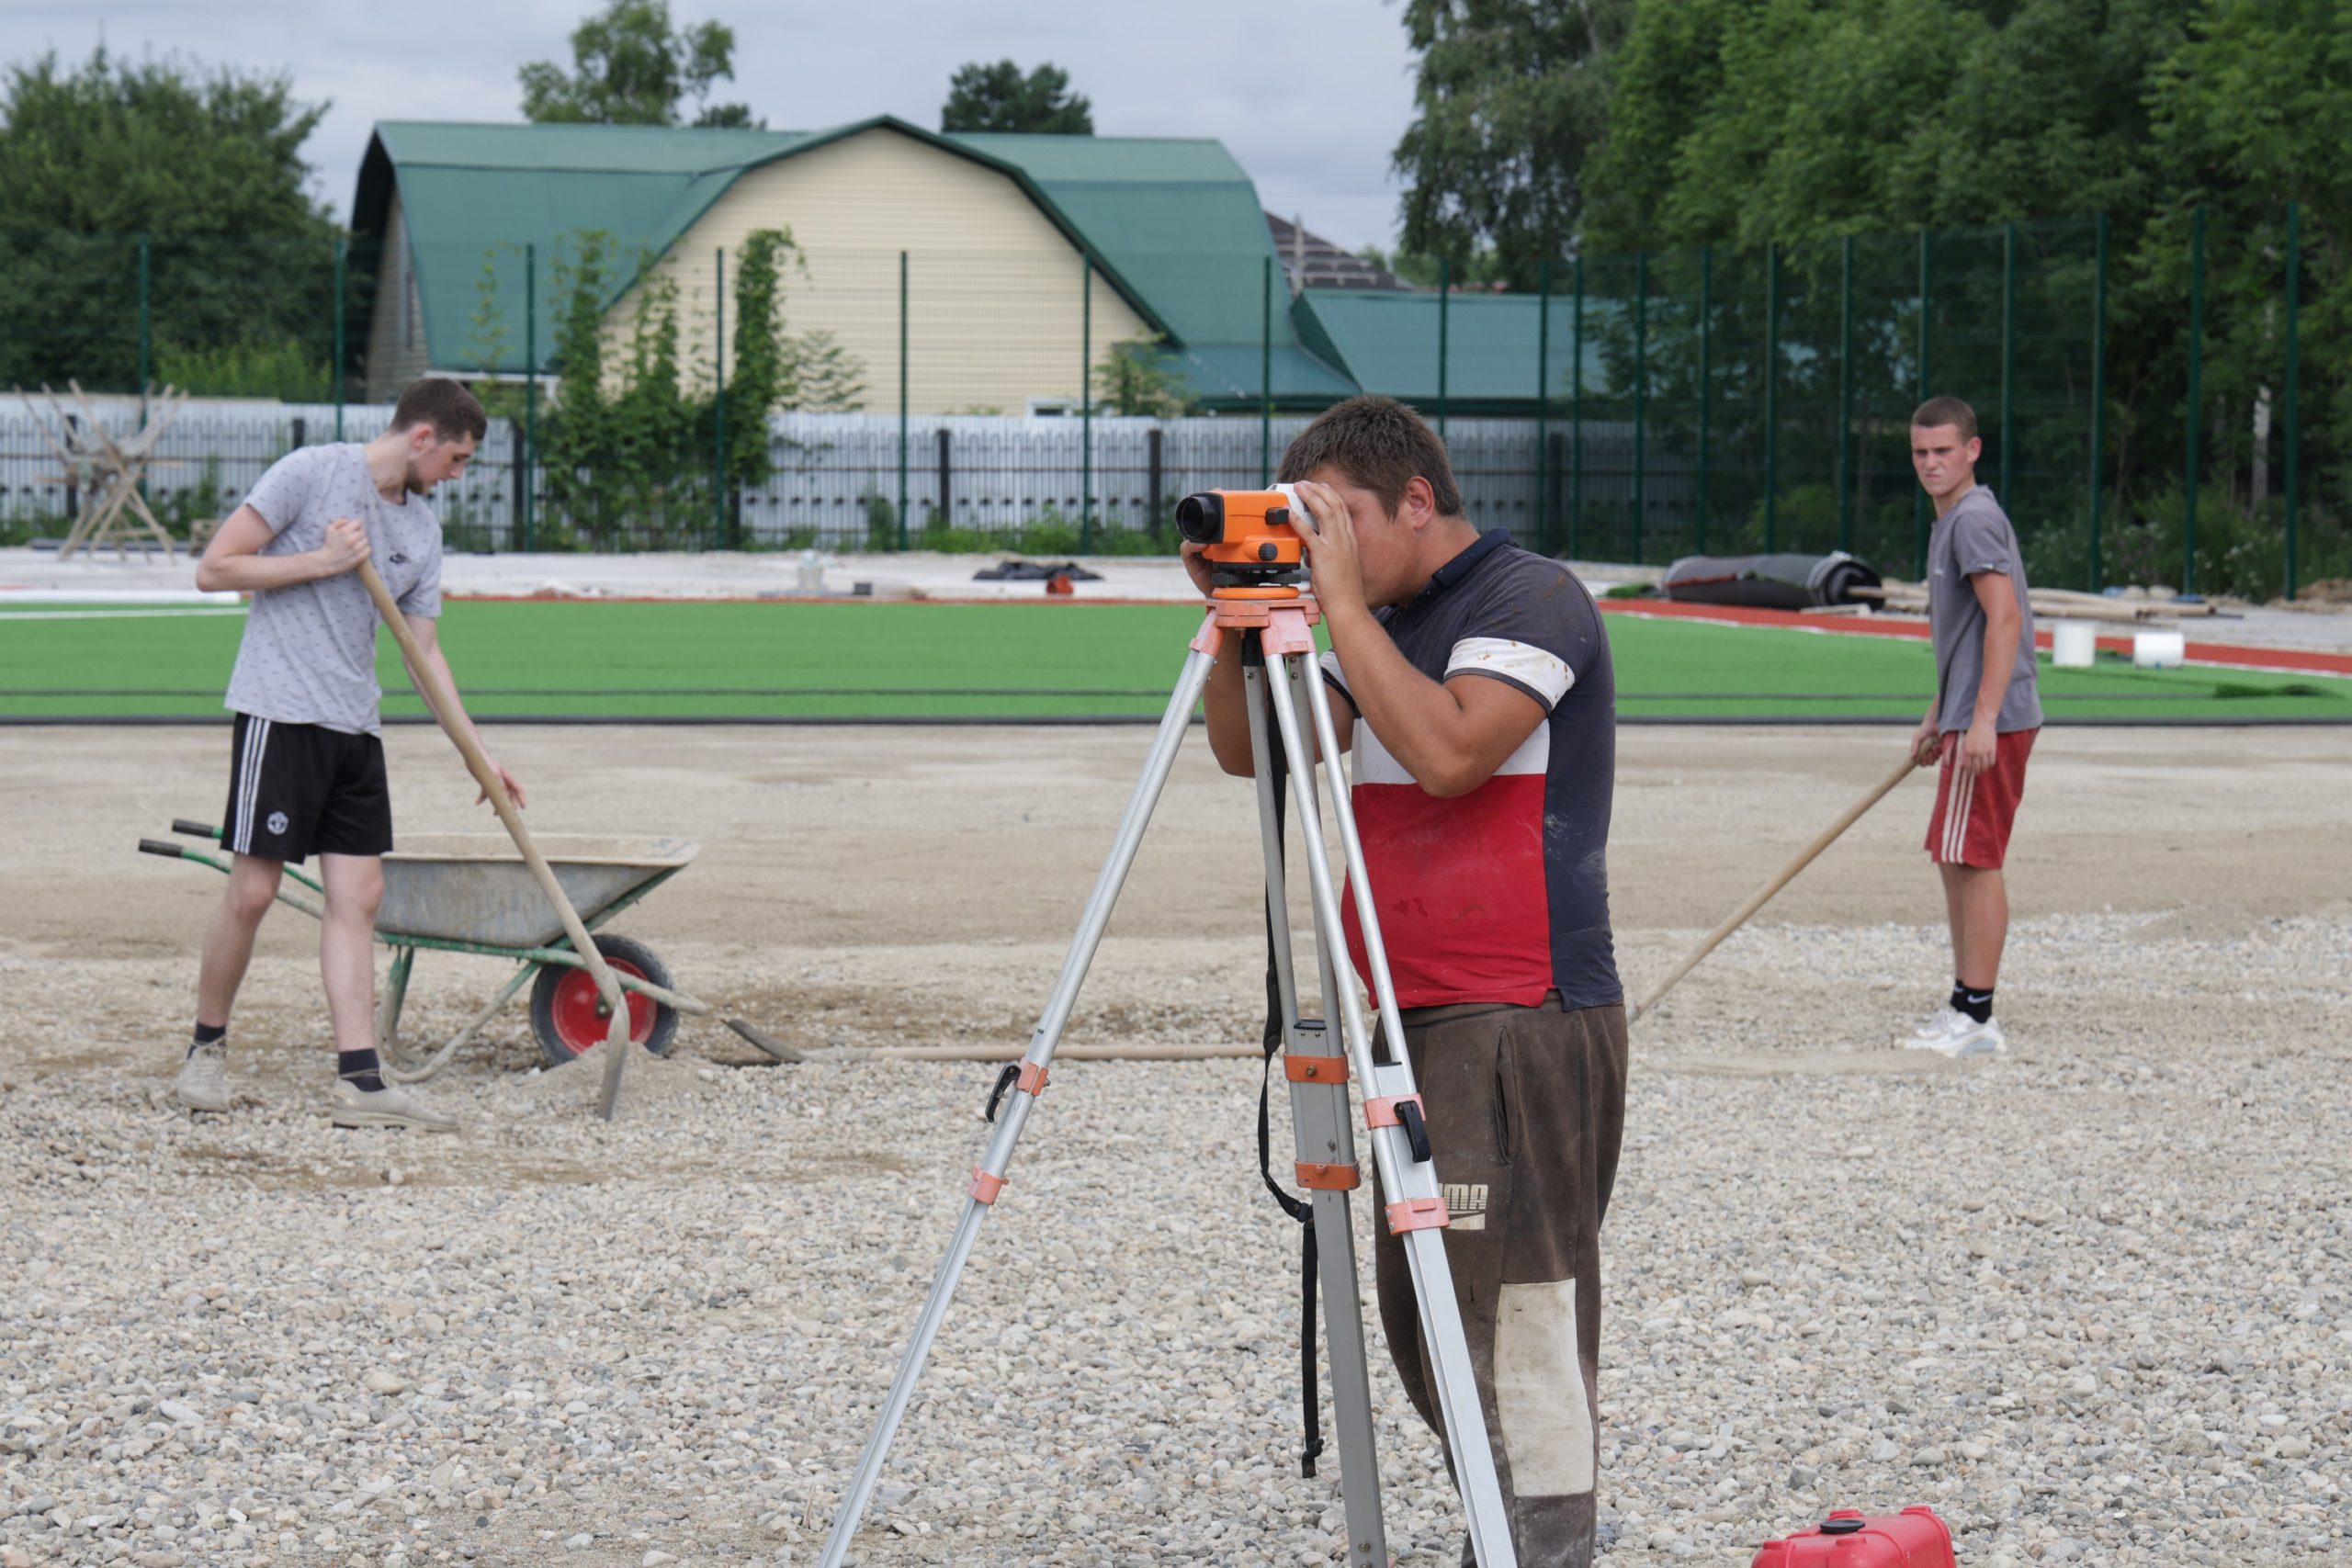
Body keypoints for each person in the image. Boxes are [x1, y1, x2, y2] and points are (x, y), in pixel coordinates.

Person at [1188, 396, 1626, 1568]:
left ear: (1417, 501)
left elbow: (1446, 753)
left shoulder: (1530, 600)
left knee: (1511, 1310)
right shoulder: (1388, 622)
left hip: (1519, 1009)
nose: (1322, 540)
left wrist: (1331, 604)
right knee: (1426, 1313)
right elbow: (1254, 749)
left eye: (1335, 517)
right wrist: (1244, 620)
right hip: (1416, 1009)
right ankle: (1511, 1532)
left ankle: (1542, 1550)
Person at [176, 378, 523, 1130]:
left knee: (359, 898)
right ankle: (206, 1050)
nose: (458, 475)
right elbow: (215, 567)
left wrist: (477, 755)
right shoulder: (311, 471)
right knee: (254, 892)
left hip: (355, 728)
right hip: (282, 709)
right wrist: (322, 560)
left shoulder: (421, 532)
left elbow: (422, 651)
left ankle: (360, 1081)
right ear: (423, 437)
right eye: (457, 458)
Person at [1904, 395, 2042, 1058]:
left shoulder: (1973, 521)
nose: (1931, 463)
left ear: (1972, 451)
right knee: (1954, 855)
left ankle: (1978, 1018)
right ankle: (1964, 1002)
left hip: (1994, 718)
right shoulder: (1952, 521)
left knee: (1975, 858)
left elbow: (2005, 617)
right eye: (1921, 452)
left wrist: (1981, 718)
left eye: (1943, 451)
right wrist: (1939, 715)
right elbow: (1963, 633)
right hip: (1966, 713)